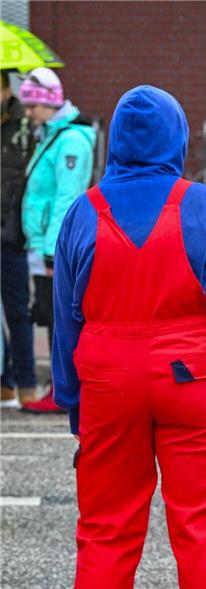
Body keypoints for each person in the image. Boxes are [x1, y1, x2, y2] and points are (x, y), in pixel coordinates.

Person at [52, 85, 206, 589]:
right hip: (191, 380)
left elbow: (65, 319)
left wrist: (72, 401)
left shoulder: (84, 212)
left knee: (105, 532)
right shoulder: (204, 207)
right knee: (202, 535)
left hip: (107, 380)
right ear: (178, 138)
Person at [19, 67, 94, 414]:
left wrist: (52, 252)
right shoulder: (53, 135)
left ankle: (63, 388)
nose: (28, 113)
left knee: (56, 317)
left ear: (48, 103)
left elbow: (66, 198)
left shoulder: (71, 141)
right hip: (42, 245)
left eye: (32, 106)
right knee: (49, 315)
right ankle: (58, 385)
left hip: (51, 249)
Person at [1, 70, 37, 407]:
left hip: (10, 233)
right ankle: (5, 380)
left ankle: (26, 381)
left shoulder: (24, 127)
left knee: (17, 311)